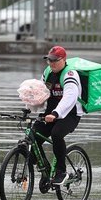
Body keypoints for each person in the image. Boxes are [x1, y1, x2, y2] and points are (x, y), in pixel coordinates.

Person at [35, 45, 84, 185]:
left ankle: (61, 171)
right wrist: (29, 107)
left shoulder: (70, 74)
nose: (51, 63)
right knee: (33, 136)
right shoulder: (48, 72)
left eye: (55, 60)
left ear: (63, 60)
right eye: (49, 60)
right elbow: (39, 92)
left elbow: (70, 97)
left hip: (70, 114)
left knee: (56, 134)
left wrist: (57, 113)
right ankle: (45, 169)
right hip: (50, 113)